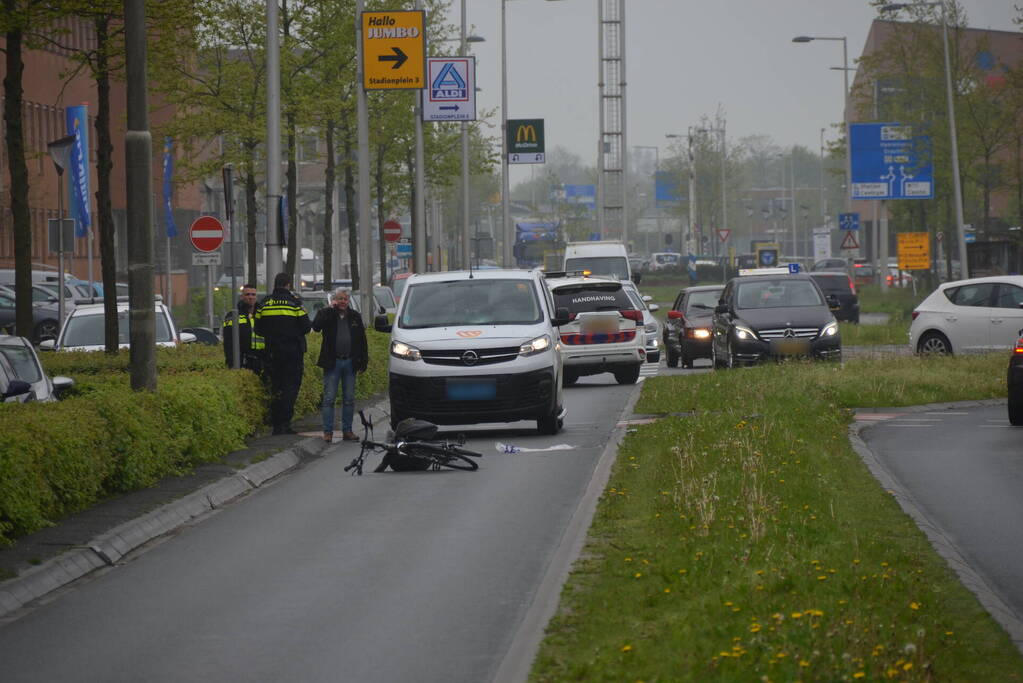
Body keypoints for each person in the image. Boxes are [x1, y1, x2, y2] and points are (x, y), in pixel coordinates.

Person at [254, 272, 311, 435]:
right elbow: (306, 327)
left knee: (276, 387)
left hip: (271, 353)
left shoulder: (264, 303)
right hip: (293, 353)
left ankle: (276, 424)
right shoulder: (294, 303)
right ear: (288, 285)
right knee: (290, 388)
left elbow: (258, 329)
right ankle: (285, 423)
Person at [311, 287, 368, 443]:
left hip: (350, 362)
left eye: (345, 299)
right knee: (329, 398)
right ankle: (327, 432)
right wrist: (329, 309)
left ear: (348, 301)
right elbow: (316, 326)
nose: (342, 302)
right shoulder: (328, 315)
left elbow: (362, 341)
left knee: (349, 399)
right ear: (334, 300)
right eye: (339, 299)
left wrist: (363, 361)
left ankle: (347, 431)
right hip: (332, 362)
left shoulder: (355, 316)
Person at [222, 284, 266, 373]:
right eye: (247, 294)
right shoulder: (233, 315)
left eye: (253, 294)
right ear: (242, 297)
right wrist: (232, 363)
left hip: (261, 360)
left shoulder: (262, 314)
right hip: (242, 361)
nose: (250, 297)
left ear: (256, 297)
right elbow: (228, 342)